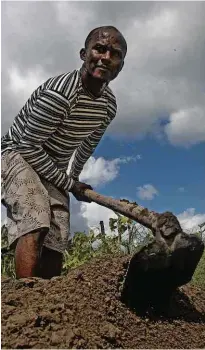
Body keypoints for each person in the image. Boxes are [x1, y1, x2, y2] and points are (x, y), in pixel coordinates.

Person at [1, 25, 127, 279]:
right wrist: (69, 183)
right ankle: (25, 303)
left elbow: (87, 144)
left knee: (58, 234)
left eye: (114, 54)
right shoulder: (59, 94)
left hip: (53, 166)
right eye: (99, 49)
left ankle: (51, 304)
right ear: (84, 53)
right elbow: (28, 146)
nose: (105, 57)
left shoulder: (108, 106)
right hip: (17, 154)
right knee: (35, 218)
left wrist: (75, 177)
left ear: (120, 66)